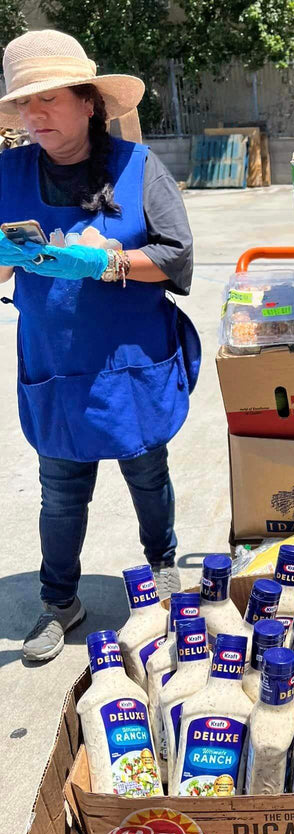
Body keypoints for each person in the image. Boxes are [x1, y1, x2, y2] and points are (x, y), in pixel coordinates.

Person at [0, 30, 200, 662]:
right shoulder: (7, 174)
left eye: (50, 98)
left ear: (88, 102)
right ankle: (60, 600)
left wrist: (107, 264)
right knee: (60, 491)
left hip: (129, 361)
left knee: (147, 472)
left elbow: (176, 257)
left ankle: (163, 567)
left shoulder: (138, 167)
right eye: (25, 102)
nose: (35, 115)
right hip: (55, 366)